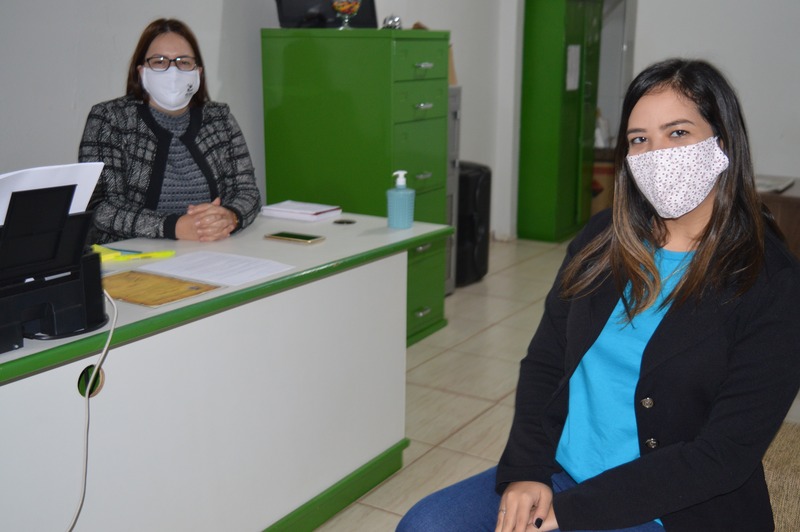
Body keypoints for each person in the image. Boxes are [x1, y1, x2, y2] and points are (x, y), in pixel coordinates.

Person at [397, 58, 800, 531]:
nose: (656, 154)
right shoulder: (601, 239)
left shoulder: (772, 281)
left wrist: (567, 516)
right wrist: (526, 473)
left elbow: (722, 454)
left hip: (674, 506)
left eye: (677, 133)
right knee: (426, 525)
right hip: (565, 475)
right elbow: (546, 360)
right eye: (639, 139)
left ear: (722, 144)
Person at [79, 18, 261, 245]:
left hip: (211, 251)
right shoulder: (110, 119)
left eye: (184, 62)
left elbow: (248, 192)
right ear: (141, 71)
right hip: (130, 259)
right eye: (159, 61)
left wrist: (230, 216)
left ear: (198, 72)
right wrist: (174, 226)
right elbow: (101, 208)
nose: (173, 71)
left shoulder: (220, 118)